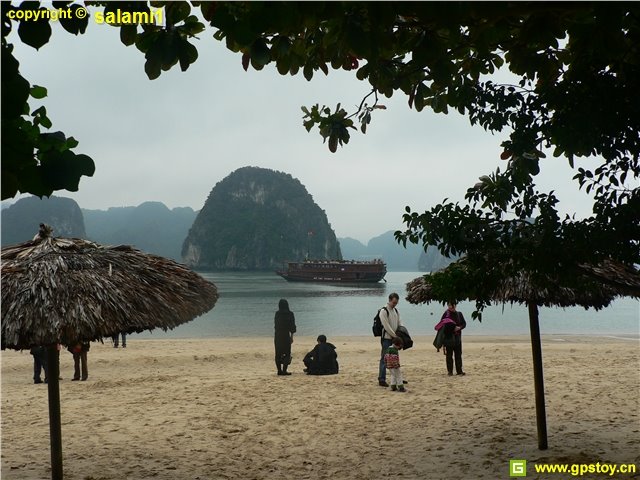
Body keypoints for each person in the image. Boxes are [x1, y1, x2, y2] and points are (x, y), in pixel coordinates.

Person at [378, 292, 402, 387]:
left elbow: (400, 322)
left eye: (396, 302)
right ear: (389, 300)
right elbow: (386, 325)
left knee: (395, 359)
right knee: (384, 358)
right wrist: (394, 335)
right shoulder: (384, 311)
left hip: (395, 339)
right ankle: (381, 379)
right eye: (393, 302)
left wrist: (401, 332)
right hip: (387, 338)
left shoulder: (395, 311)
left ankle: (396, 378)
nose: (395, 304)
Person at [440, 302, 467, 376]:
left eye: (453, 305)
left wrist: (459, 327)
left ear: (455, 305)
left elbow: (464, 324)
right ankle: (450, 371)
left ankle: (459, 371)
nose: (451, 307)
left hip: (458, 337)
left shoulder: (459, 314)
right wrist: (452, 329)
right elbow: (441, 325)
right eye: (449, 305)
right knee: (449, 355)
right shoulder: (446, 314)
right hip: (449, 338)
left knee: (458, 354)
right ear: (448, 306)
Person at [274, 299, 296, 376]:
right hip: (286, 335)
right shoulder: (290, 314)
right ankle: (284, 371)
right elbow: (292, 326)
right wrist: (292, 337)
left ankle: (279, 370)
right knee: (287, 353)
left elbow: (276, 325)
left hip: (278, 335)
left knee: (278, 353)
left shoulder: (277, 313)